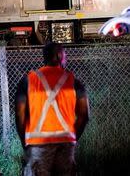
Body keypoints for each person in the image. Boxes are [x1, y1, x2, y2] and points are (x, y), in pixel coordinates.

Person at [15, 42, 90, 176]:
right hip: (66, 145)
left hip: (38, 145)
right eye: (65, 55)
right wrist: (72, 138)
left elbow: (20, 116)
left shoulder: (28, 80)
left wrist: (25, 144)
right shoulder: (73, 81)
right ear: (59, 55)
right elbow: (84, 115)